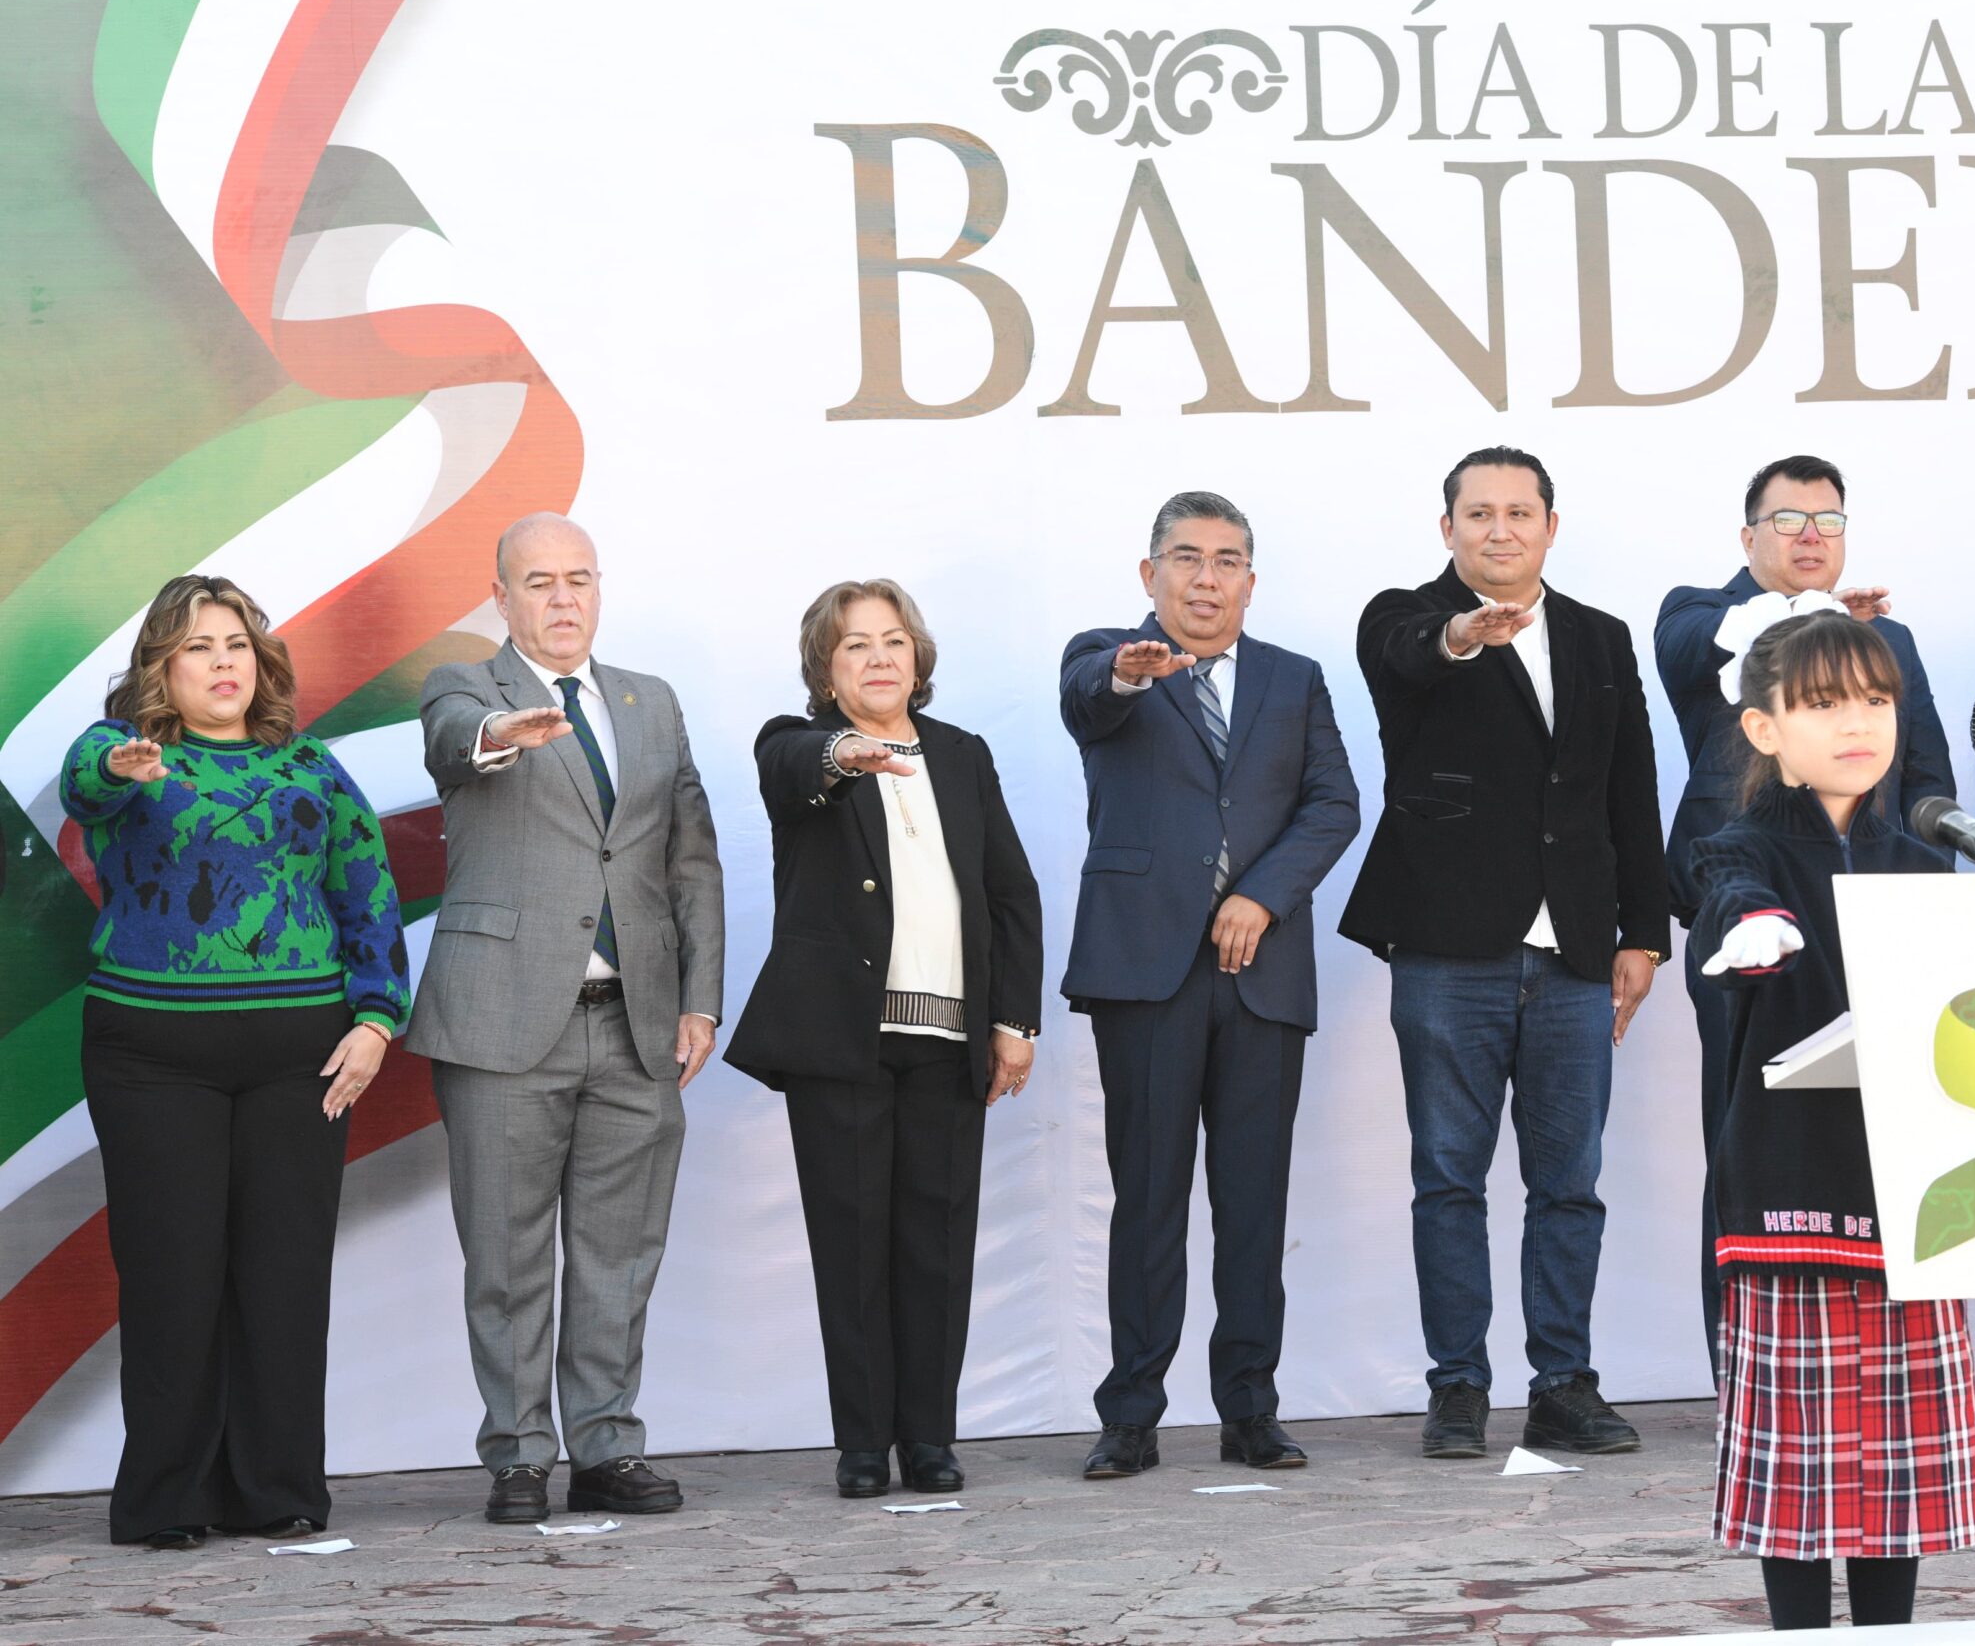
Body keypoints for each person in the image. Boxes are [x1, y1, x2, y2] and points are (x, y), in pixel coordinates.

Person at [61, 574, 411, 1549]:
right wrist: (120, 765)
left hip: (301, 1063)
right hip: (150, 1059)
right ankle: (165, 1501)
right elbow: (87, 775)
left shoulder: (310, 770)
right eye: (197, 647)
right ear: (160, 670)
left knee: (284, 1278)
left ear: (260, 664)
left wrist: (378, 1018)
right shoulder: (127, 761)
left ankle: (279, 1490)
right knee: (173, 1277)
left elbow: (368, 891)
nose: (222, 662)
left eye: (236, 645)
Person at [1341, 445, 1669, 1460]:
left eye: (1518, 511)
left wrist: (1644, 933)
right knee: (1449, 1177)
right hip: (1447, 947)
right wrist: (1456, 635)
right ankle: (1456, 1389)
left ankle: (1563, 1383)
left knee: (1568, 1181)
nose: (1499, 528)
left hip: (1573, 950)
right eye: (1476, 513)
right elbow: (1404, 656)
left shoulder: (1600, 637)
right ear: (1447, 529)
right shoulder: (1402, 617)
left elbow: (1632, 788)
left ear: (1549, 526)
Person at [408, 512, 727, 1522]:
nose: (561, 599)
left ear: (600, 587)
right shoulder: (465, 687)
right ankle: (516, 1456)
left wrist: (699, 999)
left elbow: (689, 857)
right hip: (501, 1023)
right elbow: (457, 746)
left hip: (635, 1021)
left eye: (578, 578)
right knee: (504, 1256)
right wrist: (505, 736)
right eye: (538, 581)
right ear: (500, 597)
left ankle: (604, 1446)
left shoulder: (650, 702)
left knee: (618, 1251)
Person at [1059, 492, 1360, 1480]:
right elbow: (1087, 697)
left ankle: (1250, 1410)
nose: (1204, 577)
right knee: (1148, 1199)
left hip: (1261, 972)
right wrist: (1123, 673)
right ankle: (1132, 1416)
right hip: (1147, 972)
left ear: (1249, 581)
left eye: (1226, 560)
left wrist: (1262, 899)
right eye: (1184, 558)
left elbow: (1333, 804)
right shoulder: (1112, 656)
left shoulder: (1293, 678)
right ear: (1149, 574)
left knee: (1251, 1203)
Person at [1693, 610, 1975, 1631]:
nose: (1856, 723)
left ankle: (1889, 1635)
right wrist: (1752, 929)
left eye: (1873, 699)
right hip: (1789, 1190)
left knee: (1898, 1469)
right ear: (1764, 728)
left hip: (1910, 1195)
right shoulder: (1743, 851)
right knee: (1801, 1469)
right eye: (1821, 704)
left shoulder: (1923, 858)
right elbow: (1724, 893)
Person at [726, 580, 1042, 1498]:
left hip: (951, 1040)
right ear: (826, 670)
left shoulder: (962, 753)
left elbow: (1010, 893)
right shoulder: (799, 746)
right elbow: (790, 764)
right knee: (852, 1242)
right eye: (855, 644)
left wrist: (1013, 1022)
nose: (878, 657)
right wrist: (844, 752)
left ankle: (930, 1440)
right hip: (844, 1042)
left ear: (918, 656)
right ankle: (863, 1444)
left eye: (893, 640)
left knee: (937, 1246)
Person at [1653, 456, 1955, 1361]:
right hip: (1749, 898)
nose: (1812, 534)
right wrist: (1818, 623)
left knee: (1895, 1125)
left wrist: (1924, 868)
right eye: (1788, 520)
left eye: (1828, 518)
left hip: (1880, 892)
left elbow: (1928, 769)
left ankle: (1889, 1339)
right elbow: (1713, 650)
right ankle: (1743, 1354)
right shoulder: (1698, 614)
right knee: (1754, 1128)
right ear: (1748, 538)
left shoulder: (1887, 637)